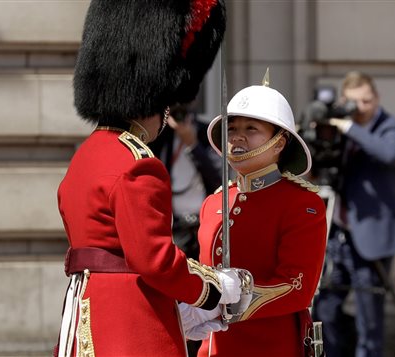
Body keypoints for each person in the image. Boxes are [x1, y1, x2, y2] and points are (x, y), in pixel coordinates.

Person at [53, 1, 251, 356]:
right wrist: (214, 289)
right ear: (149, 102)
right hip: (130, 316)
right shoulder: (138, 163)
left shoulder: (86, 155)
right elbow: (154, 259)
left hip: (86, 305)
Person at [194, 80, 328, 356]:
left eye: (251, 129)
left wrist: (230, 301)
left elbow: (297, 287)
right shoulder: (213, 202)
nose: (237, 137)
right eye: (231, 129)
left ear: (279, 142)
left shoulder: (303, 204)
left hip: (272, 345)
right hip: (214, 346)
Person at [312, 71, 395, 357]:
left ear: (376, 98)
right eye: (355, 102)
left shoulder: (390, 127)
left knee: (370, 318)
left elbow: (389, 154)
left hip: (371, 238)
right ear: (344, 100)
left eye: (367, 100)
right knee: (324, 308)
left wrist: (349, 128)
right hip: (337, 234)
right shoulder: (342, 131)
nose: (362, 107)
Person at [149, 103, 222, 261]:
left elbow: (218, 178)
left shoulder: (206, 132)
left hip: (203, 225)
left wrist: (193, 144)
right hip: (175, 226)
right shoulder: (161, 137)